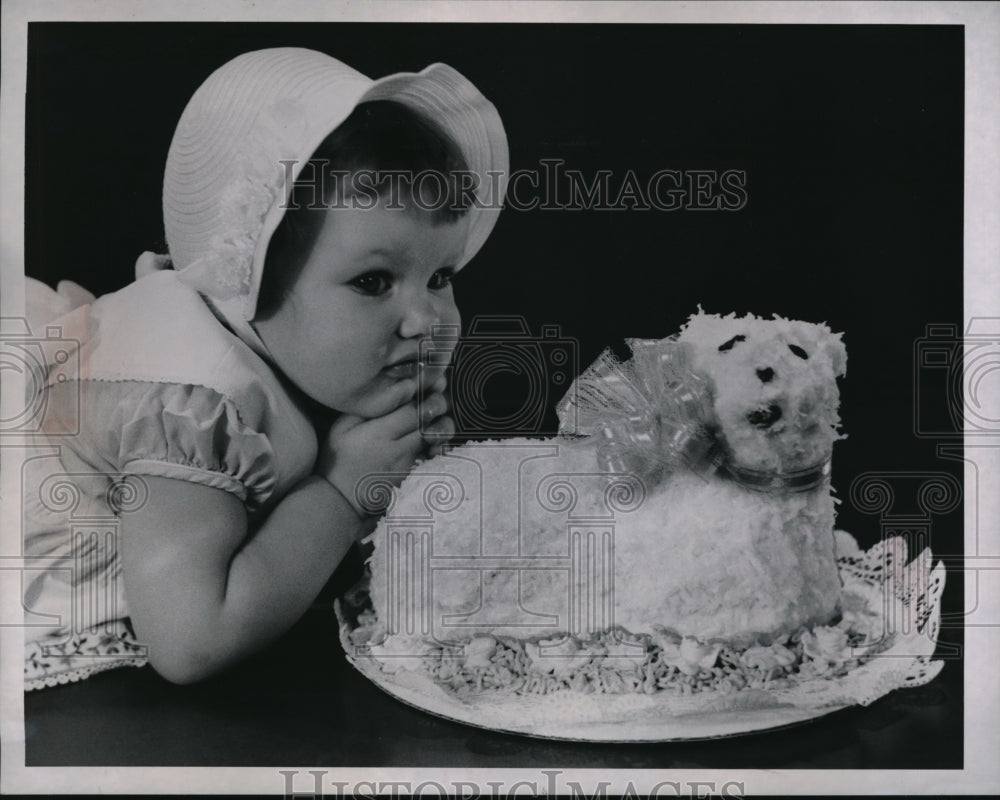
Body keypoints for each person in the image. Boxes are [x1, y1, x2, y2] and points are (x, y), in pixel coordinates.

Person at [21, 47, 508, 689]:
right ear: (251, 279)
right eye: (372, 281)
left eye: (440, 276)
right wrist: (340, 494)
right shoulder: (192, 398)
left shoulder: (299, 363)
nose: (427, 320)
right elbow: (192, 640)